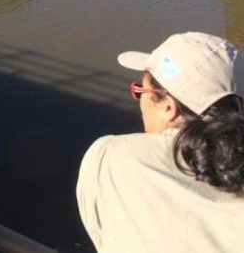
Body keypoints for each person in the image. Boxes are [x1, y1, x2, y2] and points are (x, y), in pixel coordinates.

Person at [76, 32, 244, 253]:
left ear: (168, 108)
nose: (139, 100)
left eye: (139, 91)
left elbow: (101, 234)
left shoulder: (112, 158)